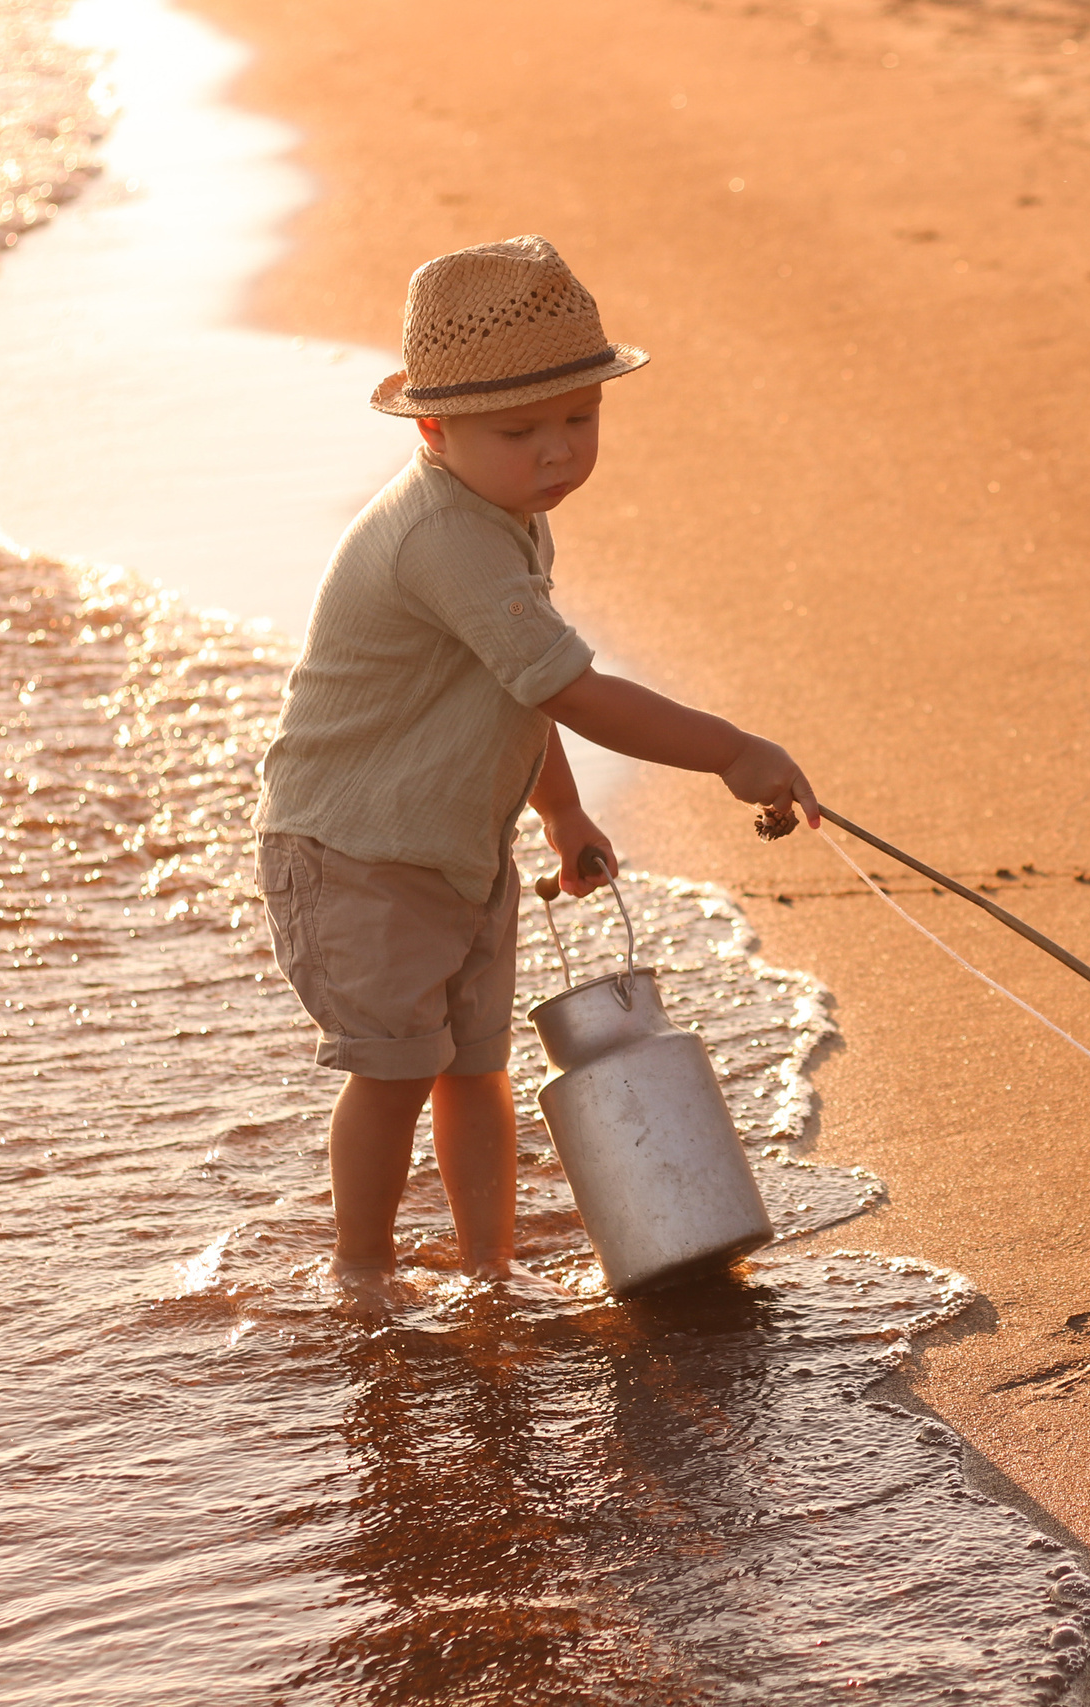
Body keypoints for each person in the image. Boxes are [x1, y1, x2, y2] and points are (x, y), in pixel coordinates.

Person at [253, 234, 817, 1293]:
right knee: (393, 1071)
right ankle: (363, 1272)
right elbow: (564, 687)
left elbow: (515, 689)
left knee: (478, 1068)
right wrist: (730, 752)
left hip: (457, 849)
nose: (557, 453)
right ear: (433, 428)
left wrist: (559, 817)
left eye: (580, 419)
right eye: (520, 430)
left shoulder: (506, 514)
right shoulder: (443, 538)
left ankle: (488, 1268)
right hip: (353, 852)